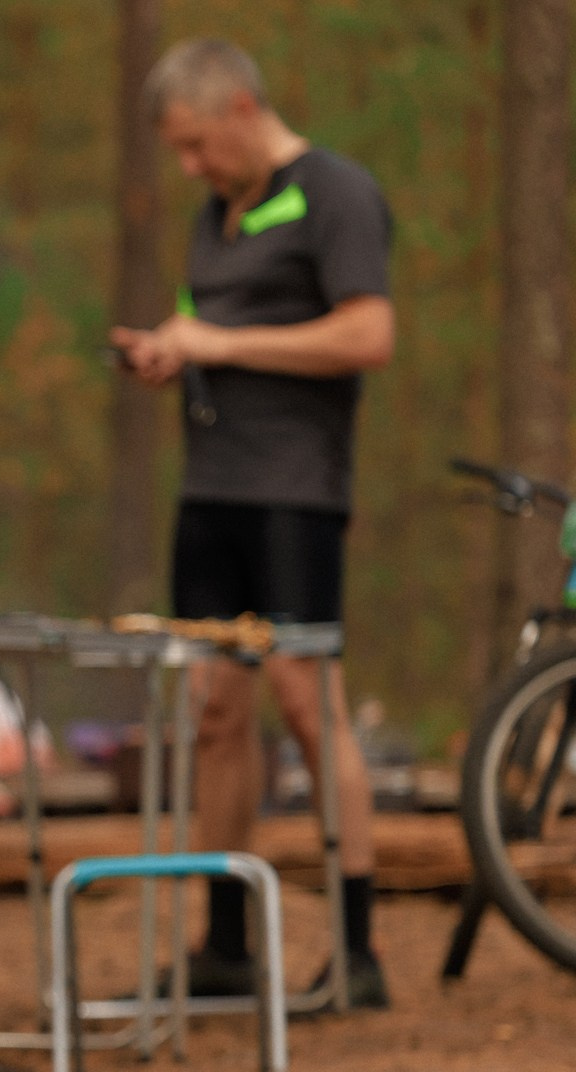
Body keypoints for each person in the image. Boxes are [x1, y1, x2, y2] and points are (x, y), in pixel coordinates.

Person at [111, 37, 394, 1009]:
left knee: (308, 702)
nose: (191, 167)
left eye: (196, 145)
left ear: (239, 107)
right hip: (212, 493)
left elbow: (369, 333)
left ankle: (356, 952)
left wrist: (223, 342)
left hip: (295, 490)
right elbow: (210, 334)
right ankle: (224, 943)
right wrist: (170, 352)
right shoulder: (214, 217)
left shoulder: (336, 193)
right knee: (217, 713)